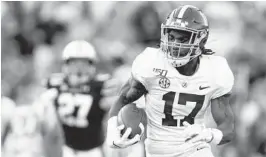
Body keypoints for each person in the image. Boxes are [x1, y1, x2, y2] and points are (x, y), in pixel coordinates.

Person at [106, 5, 235, 157]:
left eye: (183, 39)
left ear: (202, 39)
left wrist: (210, 134)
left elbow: (227, 127)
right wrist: (111, 131)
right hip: (157, 152)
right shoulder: (151, 62)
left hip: (195, 150)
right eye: (171, 37)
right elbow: (123, 100)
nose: (175, 45)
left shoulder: (214, 70)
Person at [43, 40, 110, 157]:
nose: (79, 70)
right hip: (67, 149)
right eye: (74, 64)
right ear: (65, 65)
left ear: (92, 66)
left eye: (83, 65)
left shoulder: (101, 87)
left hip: (94, 150)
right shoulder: (55, 85)